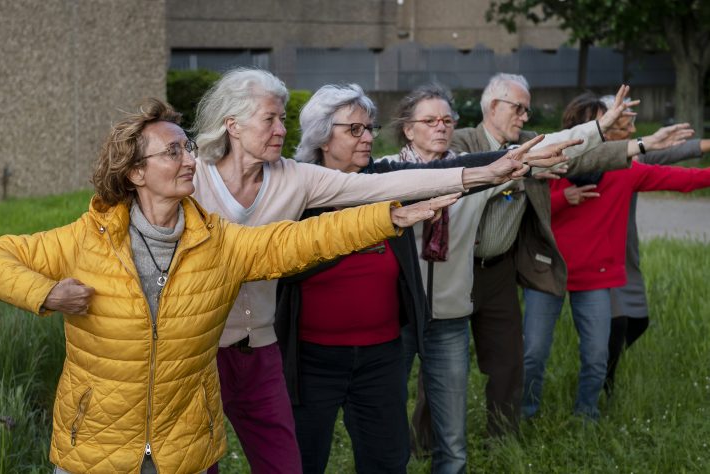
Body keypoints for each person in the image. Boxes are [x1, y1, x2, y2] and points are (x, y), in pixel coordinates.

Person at [0, 98, 444, 474]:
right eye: (173, 151)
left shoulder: (217, 243)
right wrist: (45, 294)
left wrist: (389, 217)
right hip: (95, 447)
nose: (189, 159)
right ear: (135, 172)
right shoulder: (85, 240)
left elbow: (299, 239)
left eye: (188, 147)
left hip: (182, 447)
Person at [191, 68, 536, 474]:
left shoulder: (296, 179)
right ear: (232, 124)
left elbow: (380, 188)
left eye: (283, 119)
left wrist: (488, 172)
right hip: (202, 347)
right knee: (196, 459)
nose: (280, 129)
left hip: (274, 349)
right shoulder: (191, 178)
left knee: (294, 464)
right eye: (271, 119)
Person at [272, 83, 568, 474]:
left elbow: (438, 171)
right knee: (304, 459)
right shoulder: (297, 187)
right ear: (322, 136)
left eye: (370, 129)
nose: (367, 138)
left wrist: (502, 161)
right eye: (354, 130)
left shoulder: (380, 176)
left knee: (388, 460)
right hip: (314, 358)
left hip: (381, 353)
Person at [382, 82, 627, 472]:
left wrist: (597, 129)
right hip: (395, 318)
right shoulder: (386, 173)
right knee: (384, 420)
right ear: (409, 129)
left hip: (448, 319)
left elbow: (543, 150)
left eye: (447, 120)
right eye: (430, 120)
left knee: (454, 441)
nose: (441, 127)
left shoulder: (473, 172)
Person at [449, 74, 689, 437]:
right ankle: (503, 421)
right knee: (503, 358)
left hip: (563, 275)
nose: (525, 116)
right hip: (512, 272)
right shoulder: (488, 144)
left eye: (528, 110)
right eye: (519, 108)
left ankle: (565, 422)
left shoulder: (558, 152)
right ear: (493, 105)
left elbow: (650, 168)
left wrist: (643, 144)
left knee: (567, 359)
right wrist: (564, 196)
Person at [521, 92, 702, 421]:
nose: (607, 130)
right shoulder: (550, 163)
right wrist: (565, 198)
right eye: (600, 123)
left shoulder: (625, 169)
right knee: (533, 353)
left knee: (597, 355)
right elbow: (526, 211)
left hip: (595, 277)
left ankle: (585, 416)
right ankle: (525, 415)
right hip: (546, 272)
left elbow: (684, 181)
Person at [593, 95, 710, 397]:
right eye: (626, 119)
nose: (632, 125)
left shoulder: (636, 158)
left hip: (625, 249)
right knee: (617, 321)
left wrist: (705, 145)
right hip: (595, 251)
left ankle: (603, 364)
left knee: (639, 321)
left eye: (633, 119)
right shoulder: (589, 156)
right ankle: (602, 383)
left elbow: (675, 153)